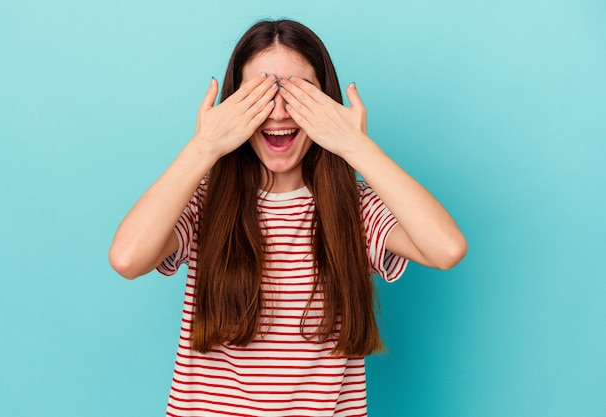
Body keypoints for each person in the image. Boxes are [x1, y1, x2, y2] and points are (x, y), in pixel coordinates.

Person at [109, 19, 467, 417]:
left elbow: (447, 249)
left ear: (327, 103)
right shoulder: (202, 201)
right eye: (260, 95)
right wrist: (204, 146)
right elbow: (127, 258)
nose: (278, 112)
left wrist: (357, 147)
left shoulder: (356, 208)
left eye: (297, 94)